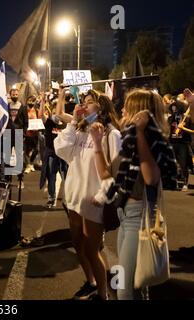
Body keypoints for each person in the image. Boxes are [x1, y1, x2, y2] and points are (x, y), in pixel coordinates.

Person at [90, 89, 177, 300]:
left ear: (140, 113)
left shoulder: (154, 144)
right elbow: (105, 174)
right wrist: (97, 143)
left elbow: (150, 178)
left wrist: (140, 133)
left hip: (138, 220)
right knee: (133, 284)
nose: (122, 110)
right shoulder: (129, 144)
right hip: (125, 217)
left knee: (125, 289)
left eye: (127, 107)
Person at [54, 88, 122, 300]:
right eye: (82, 101)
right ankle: (91, 282)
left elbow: (116, 173)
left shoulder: (112, 133)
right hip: (74, 196)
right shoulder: (80, 129)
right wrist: (73, 122)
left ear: (101, 106)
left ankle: (103, 294)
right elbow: (61, 150)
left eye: (89, 102)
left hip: (94, 200)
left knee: (92, 249)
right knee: (77, 244)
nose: (83, 105)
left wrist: (102, 196)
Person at [39, 99, 68, 208]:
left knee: (67, 177)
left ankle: (68, 200)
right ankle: (51, 199)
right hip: (51, 153)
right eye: (57, 110)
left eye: (61, 109)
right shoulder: (49, 123)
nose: (59, 112)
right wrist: (42, 101)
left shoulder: (67, 125)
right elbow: (41, 115)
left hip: (64, 155)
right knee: (51, 176)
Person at [168, 96, 194, 192]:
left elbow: (193, 131)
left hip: (183, 143)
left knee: (183, 164)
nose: (174, 108)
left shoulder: (187, 118)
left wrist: (183, 128)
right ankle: (174, 181)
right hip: (172, 142)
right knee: (173, 164)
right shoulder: (170, 118)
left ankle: (185, 182)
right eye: (172, 107)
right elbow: (168, 131)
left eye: (175, 106)